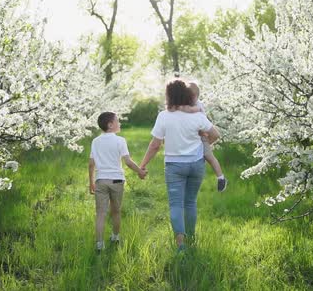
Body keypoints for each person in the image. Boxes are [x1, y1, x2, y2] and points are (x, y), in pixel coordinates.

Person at [139, 79, 220, 252]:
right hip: (196, 164)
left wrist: (143, 164)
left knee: (176, 205)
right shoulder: (197, 116)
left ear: (169, 96)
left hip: (174, 166)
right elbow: (215, 135)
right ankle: (191, 239)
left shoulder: (164, 116)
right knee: (190, 202)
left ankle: (181, 245)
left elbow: (155, 145)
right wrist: (204, 146)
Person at [89, 112, 146, 252]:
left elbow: (91, 163)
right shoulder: (120, 140)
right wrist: (140, 171)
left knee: (101, 213)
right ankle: (115, 237)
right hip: (116, 181)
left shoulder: (95, 141)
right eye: (117, 121)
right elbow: (127, 162)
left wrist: (91, 182)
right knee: (116, 212)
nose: (119, 123)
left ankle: (99, 244)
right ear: (110, 125)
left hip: (100, 180)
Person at [174, 81, 228, 192]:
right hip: (192, 135)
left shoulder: (198, 105)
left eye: (190, 97)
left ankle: (221, 178)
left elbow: (200, 120)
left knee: (209, 156)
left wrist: (206, 143)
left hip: (201, 134)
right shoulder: (186, 103)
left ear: (195, 97)